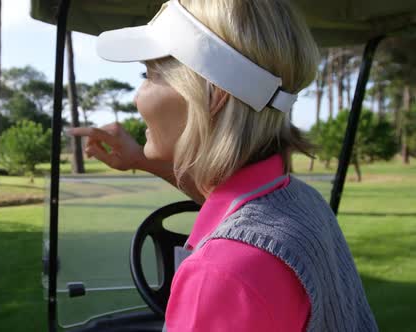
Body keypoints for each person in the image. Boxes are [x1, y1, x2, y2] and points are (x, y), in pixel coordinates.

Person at [69, 0, 378, 331]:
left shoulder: (220, 274)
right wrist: (141, 160)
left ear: (211, 94)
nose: (136, 97)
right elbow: (233, 209)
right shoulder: (298, 201)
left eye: (149, 74)